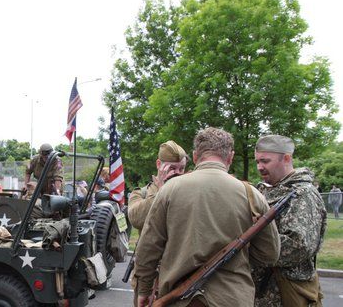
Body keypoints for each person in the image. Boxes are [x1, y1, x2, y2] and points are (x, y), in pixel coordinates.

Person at [134, 127, 280, 307]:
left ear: (195, 157)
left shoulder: (169, 189)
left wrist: (144, 290)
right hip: (232, 299)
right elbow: (270, 254)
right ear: (230, 157)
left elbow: (149, 247)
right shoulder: (252, 195)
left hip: (179, 299)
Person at [253, 134, 327, 306]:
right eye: (257, 161)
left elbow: (298, 246)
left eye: (265, 161)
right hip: (260, 294)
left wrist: (251, 246)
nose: (259, 167)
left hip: (285, 292)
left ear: (286, 158)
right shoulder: (265, 190)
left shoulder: (303, 194)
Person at [127, 140, 188, 233]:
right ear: (159, 164)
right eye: (172, 168)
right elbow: (136, 220)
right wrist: (161, 192)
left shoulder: (188, 191)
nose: (178, 173)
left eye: (181, 168)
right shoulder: (141, 193)